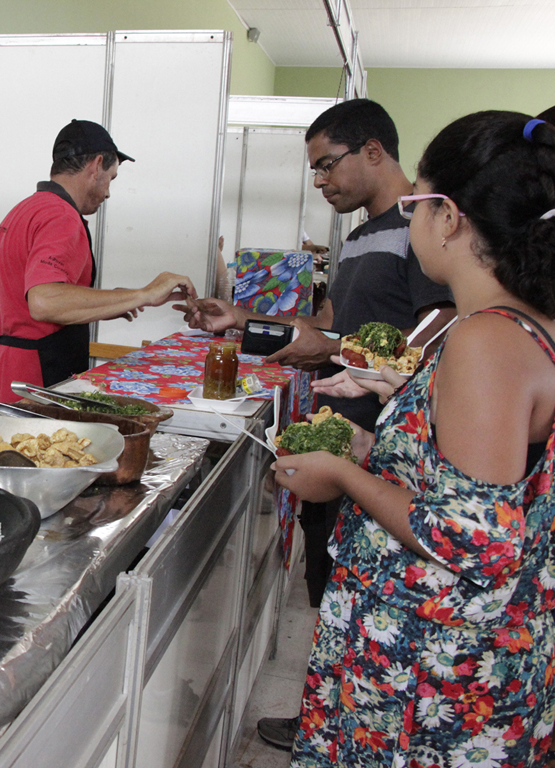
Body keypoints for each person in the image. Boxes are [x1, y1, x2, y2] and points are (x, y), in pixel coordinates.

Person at [275, 110, 555, 767]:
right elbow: (480, 479)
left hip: (430, 674)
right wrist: (371, 451)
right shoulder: (526, 325)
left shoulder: (486, 340)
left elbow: (475, 539)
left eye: (417, 203)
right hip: (455, 659)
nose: (410, 220)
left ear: (449, 216)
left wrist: (343, 477)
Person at [178, 99, 457, 751]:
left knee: (364, 604)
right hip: (338, 440)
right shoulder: (360, 239)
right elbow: (327, 331)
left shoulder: (421, 228)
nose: (321, 181)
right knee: (331, 590)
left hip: (381, 454)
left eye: (327, 165)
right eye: (314, 170)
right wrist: (241, 322)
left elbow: (425, 339)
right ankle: (330, 716)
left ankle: (350, 729)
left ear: (372, 152)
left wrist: (332, 350)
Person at [0, 119, 197, 403]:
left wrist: (115, 301)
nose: (107, 192)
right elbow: (45, 301)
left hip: (2, 374)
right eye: (111, 178)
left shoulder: (26, 209)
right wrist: (144, 294)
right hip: (35, 382)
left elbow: (29, 299)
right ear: (95, 166)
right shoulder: (61, 217)